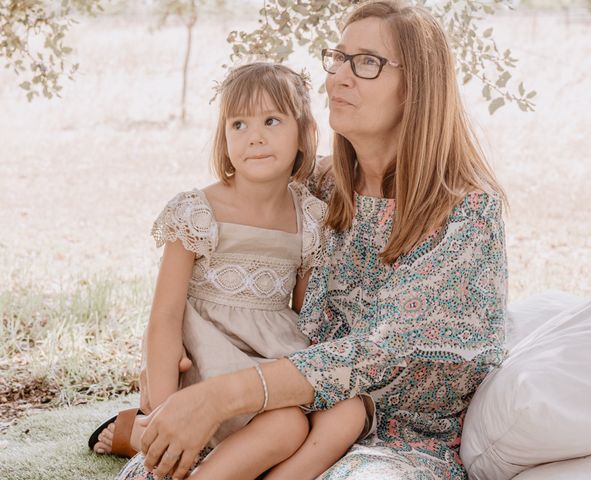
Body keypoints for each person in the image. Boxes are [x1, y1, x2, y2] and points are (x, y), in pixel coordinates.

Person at [115, 1, 508, 479]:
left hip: (389, 437)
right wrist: (180, 376)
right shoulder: (316, 190)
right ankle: (133, 430)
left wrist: (218, 397)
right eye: (338, 58)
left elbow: (380, 354)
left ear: (418, 88)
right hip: (284, 415)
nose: (338, 77)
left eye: (367, 63)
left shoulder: (466, 212)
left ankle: (131, 431)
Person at [91, 62, 372, 479]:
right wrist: (163, 412)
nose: (254, 136)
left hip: (270, 359)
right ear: (223, 137)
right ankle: (157, 441)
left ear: (305, 133)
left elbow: (302, 314)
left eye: (271, 120)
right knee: (286, 424)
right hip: (209, 363)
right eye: (238, 124)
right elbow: (165, 316)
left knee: (351, 410)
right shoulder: (198, 212)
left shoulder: (309, 218)